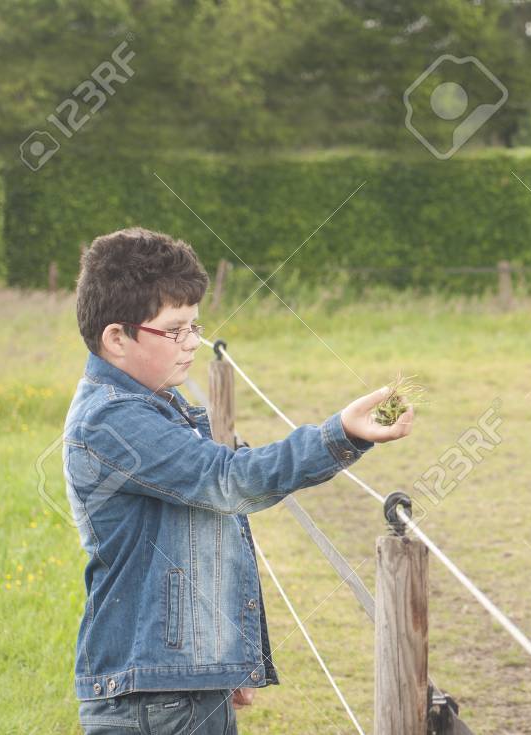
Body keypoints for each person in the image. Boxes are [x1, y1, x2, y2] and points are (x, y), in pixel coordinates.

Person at [67, 227, 412, 734]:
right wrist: (338, 434)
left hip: (173, 685)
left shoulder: (159, 403)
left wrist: (222, 654)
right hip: (152, 704)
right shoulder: (111, 422)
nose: (193, 344)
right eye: (176, 330)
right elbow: (227, 479)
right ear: (117, 337)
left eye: (195, 326)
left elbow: (197, 528)